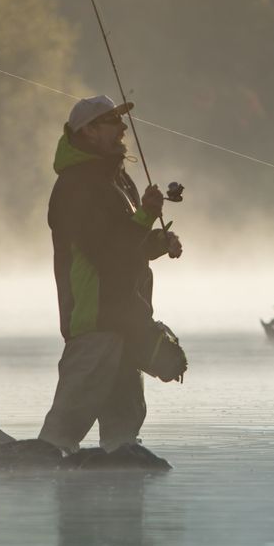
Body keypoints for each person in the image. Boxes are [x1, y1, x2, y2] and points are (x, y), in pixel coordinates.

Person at [36, 95, 182, 468]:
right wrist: (146, 217)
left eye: (121, 121)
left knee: (123, 436)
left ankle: (119, 519)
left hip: (125, 322)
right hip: (94, 324)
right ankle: (40, 496)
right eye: (112, 122)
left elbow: (127, 247)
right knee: (59, 437)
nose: (122, 129)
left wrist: (158, 243)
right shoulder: (75, 186)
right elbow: (106, 253)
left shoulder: (118, 181)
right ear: (87, 131)